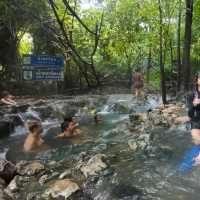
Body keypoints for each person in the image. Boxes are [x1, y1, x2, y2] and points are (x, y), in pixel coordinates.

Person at [178, 73, 200, 172]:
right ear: (197, 80)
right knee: (197, 141)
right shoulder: (191, 94)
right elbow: (190, 115)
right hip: (196, 121)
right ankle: (187, 164)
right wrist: (194, 105)